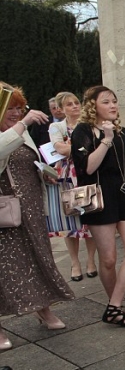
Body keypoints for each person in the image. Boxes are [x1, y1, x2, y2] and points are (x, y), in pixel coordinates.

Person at [0, 83, 73, 351]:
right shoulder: (17, 129)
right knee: (6, 268)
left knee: (39, 258)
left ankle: (44, 310)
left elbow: (31, 159)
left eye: (20, 108)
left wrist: (44, 173)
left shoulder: (20, 131)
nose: (17, 113)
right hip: (5, 211)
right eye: (11, 108)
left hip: (30, 207)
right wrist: (24, 124)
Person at [71, 86, 125, 328]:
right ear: (93, 105)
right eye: (106, 102)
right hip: (100, 199)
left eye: (115, 101)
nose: (113, 105)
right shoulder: (83, 131)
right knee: (109, 259)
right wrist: (105, 140)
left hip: (124, 195)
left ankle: (113, 305)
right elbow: (87, 168)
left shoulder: (123, 132)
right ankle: (117, 306)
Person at [48, 92, 98, 282]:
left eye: (77, 103)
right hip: (68, 176)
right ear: (61, 109)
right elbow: (60, 148)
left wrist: (75, 146)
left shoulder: (88, 123)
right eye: (69, 104)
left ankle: (91, 261)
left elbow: (93, 147)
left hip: (86, 174)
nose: (75, 106)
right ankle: (75, 263)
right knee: (70, 222)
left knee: (90, 220)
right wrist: (82, 147)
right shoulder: (56, 126)